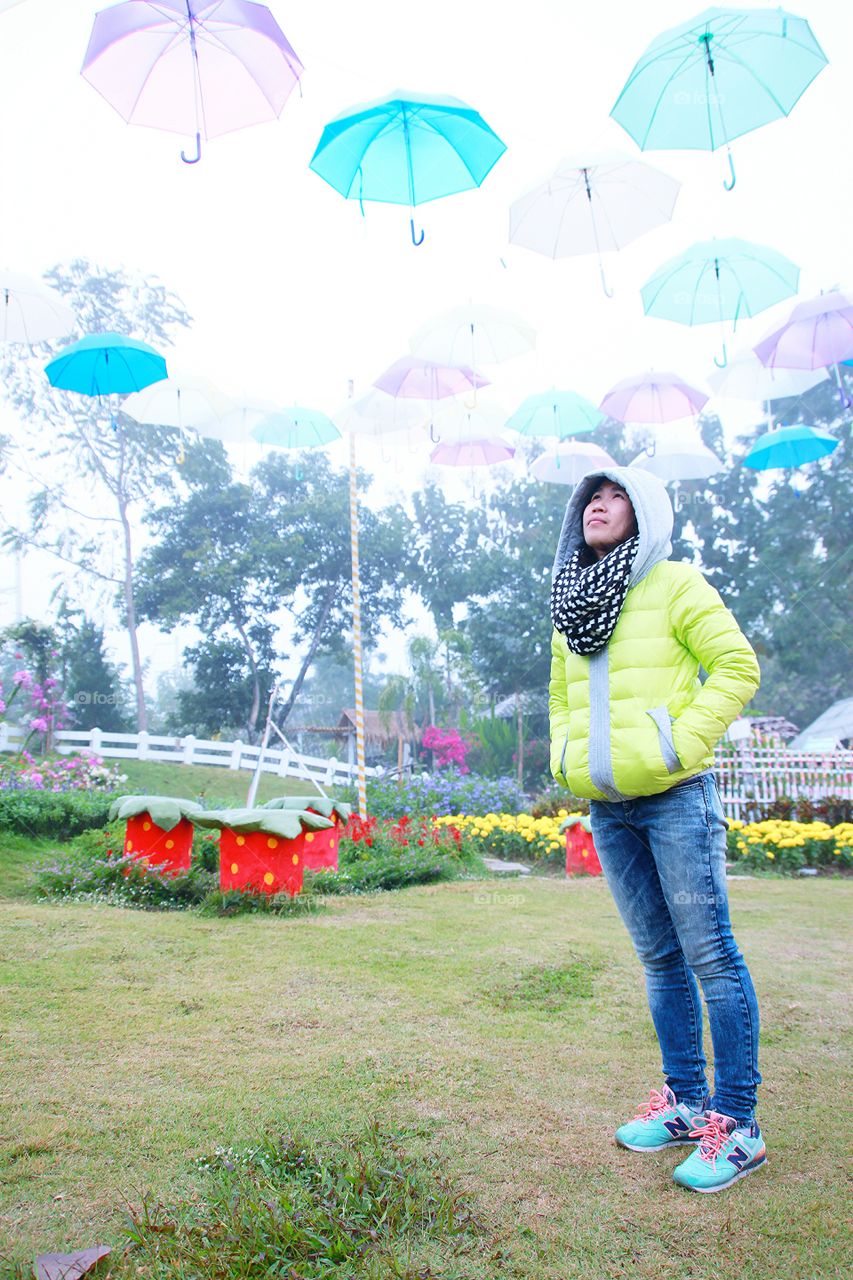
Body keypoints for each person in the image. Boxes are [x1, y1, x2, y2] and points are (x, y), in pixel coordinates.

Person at [548, 467, 765, 1194]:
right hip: (609, 808)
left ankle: (738, 1125)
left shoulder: (675, 583)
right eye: (591, 497)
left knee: (711, 957)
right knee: (660, 959)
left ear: (644, 514)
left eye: (615, 496)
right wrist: (565, 756)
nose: (598, 505)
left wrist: (679, 744)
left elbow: (735, 666)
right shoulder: (571, 597)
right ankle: (685, 1101)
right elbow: (560, 696)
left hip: (675, 798)